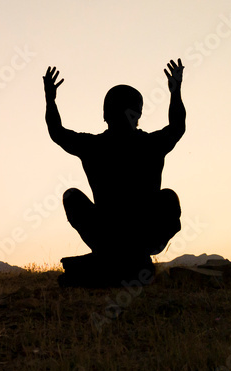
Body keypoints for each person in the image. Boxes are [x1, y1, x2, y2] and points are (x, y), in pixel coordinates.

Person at [44, 59, 185, 288]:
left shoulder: (93, 146)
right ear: (137, 114)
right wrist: (175, 92)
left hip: (107, 235)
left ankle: (109, 259)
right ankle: (124, 260)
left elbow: (57, 132)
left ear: (105, 115)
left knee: (72, 196)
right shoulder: (151, 144)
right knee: (168, 198)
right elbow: (177, 126)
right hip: (138, 235)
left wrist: (50, 100)